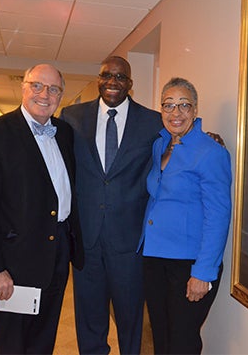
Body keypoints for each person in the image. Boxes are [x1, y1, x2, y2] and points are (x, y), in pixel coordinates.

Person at [0, 63, 84, 354]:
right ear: (23, 87)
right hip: (13, 264)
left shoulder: (65, 133)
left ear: (61, 95)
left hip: (57, 256)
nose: (45, 94)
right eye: (37, 86)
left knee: (43, 341)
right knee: (12, 345)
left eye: (54, 89)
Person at [60, 56, 162, 354]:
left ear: (130, 84)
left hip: (129, 242)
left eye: (120, 77)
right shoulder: (72, 116)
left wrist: (206, 135)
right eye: (107, 75)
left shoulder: (152, 121)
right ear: (98, 79)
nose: (113, 82)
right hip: (87, 240)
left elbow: (175, 145)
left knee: (131, 319)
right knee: (89, 317)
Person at [138, 77, 231, 354]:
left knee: (182, 343)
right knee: (162, 338)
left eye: (183, 105)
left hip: (189, 265)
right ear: (161, 109)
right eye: (168, 105)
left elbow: (218, 217)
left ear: (195, 109)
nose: (175, 113)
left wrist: (203, 272)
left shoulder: (211, 152)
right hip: (154, 259)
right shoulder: (160, 146)